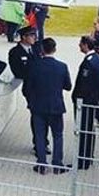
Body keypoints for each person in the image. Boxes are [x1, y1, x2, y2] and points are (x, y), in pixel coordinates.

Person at [27, 38, 72, 174]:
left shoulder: (34, 66)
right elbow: (68, 86)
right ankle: (57, 164)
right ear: (55, 49)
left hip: (38, 106)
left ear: (42, 49)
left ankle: (41, 164)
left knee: (40, 135)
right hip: (56, 106)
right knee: (58, 135)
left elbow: (28, 87)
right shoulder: (62, 66)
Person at [8, 26, 42, 157]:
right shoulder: (15, 52)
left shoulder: (36, 49)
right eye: (31, 35)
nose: (34, 38)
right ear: (23, 37)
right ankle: (39, 144)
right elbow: (18, 71)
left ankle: (42, 142)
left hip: (41, 87)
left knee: (42, 115)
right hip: (30, 88)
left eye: (34, 35)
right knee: (37, 116)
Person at [73, 36, 99, 170]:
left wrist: (77, 99)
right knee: (89, 130)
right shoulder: (98, 58)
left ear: (86, 45)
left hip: (85, 102)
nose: (79, 46)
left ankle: (83, 161)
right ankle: (88, 157)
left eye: (80, 44)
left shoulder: (89, 62)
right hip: (93, 100)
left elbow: (84, 85)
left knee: (84, 130)